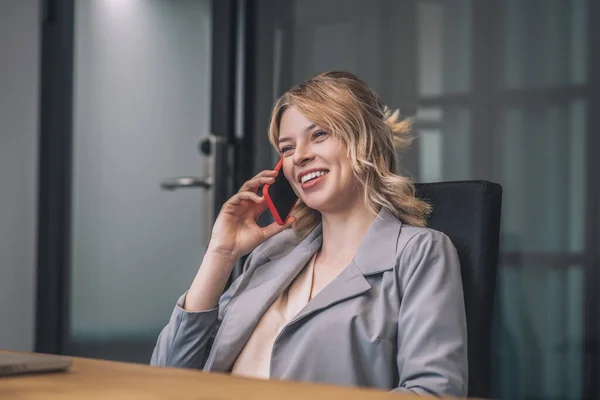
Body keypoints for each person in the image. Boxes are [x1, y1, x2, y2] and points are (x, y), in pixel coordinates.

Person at [150, 71, 468, 397]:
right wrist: (220, 254)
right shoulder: (273, 255)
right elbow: (168, 378)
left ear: (366, 141)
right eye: (287, 148)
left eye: (318, 135)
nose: (299, 156)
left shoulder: (418, 253)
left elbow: (432, 392)